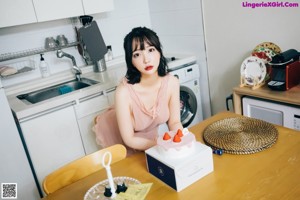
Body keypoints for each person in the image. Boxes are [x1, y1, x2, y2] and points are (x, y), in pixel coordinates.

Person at [93, 27, 183, 155]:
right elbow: (129, 139)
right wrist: (161, 145)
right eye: (137, 54)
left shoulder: (172, 83)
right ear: (131, 61)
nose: (146, 60)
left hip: (149, 137)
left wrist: (179, 139)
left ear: (159, 52)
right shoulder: (123, 92)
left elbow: (174, 122)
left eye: (151, 50)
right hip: (121, 138)